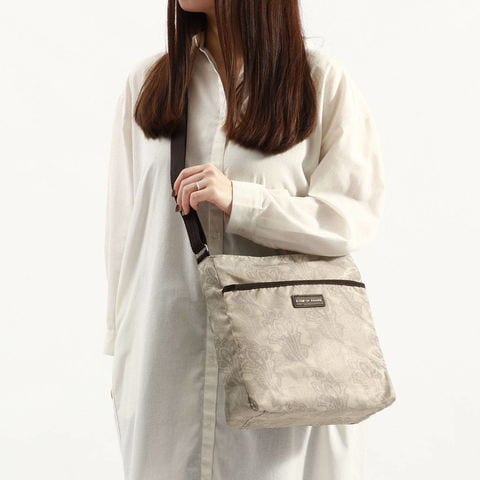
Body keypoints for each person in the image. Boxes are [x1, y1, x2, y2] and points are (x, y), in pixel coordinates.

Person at [103, 1, 385, 479]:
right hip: (163, 369)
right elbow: (124, 239)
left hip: (288, 376)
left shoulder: (317, 83)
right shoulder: (148, 84)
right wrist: (124, 358)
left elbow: (349, 218)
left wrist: (243, 201)